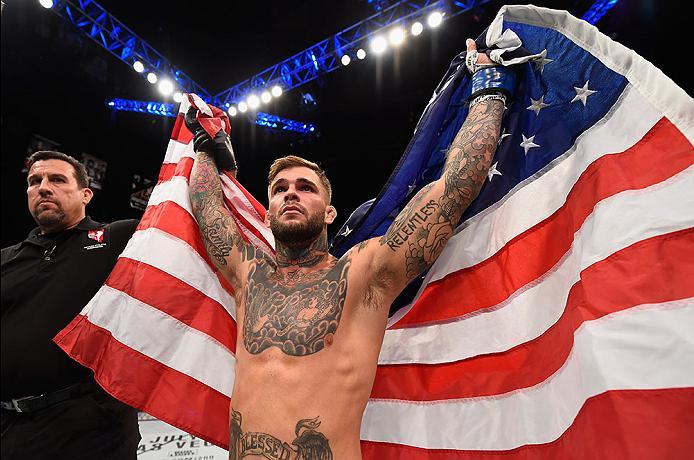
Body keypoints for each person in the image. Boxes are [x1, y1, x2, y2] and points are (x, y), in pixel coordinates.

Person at [185, 39, 512, 459]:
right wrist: (207, 149)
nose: (290, 195)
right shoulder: (249, 274)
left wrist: (488, 85)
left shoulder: (363, 272)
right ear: (265, 213)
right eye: (279, 190)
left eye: (306, 188)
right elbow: (208, 207)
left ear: (329, 213)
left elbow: (454, 188)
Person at [1, 151, 141, 459]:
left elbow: (181, 220)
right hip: (12, 429)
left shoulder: (116, 238)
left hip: (93, 431)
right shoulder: (6, 259)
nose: (44, 187)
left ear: (85, 194)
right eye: (34, 181)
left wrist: (206, 160)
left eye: (57, 179)